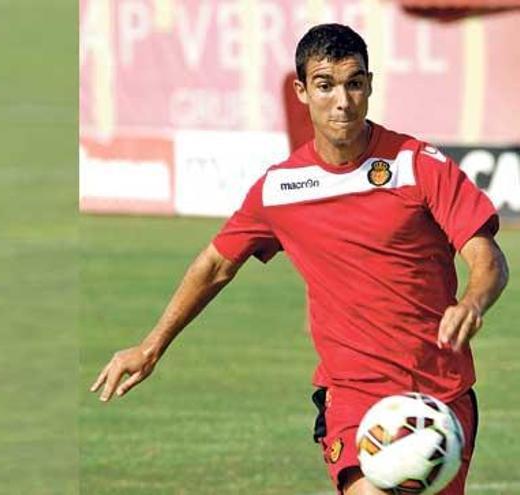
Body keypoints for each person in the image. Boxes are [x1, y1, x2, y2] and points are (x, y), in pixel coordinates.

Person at [90, 23, 508, 495]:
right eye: (326, 85)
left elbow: (486, 256)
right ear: (303, 90)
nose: (342, 101)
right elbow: (215, 265)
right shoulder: (281, 189)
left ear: (370, 85)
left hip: (440, 394)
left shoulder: (417, 164)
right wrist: (150, 345)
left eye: (354, 83)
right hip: (353, 397)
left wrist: (472, 302)